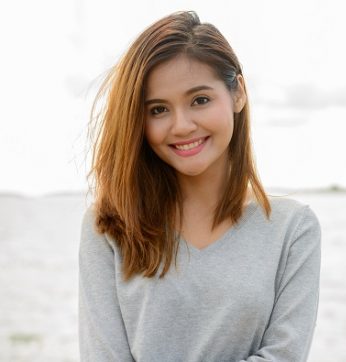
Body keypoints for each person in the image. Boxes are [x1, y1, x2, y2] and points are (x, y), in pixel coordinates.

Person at [79, 10, 322, 362]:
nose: (181, 125)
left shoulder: (293, 229)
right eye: (158, 110)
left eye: (200, 100)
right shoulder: (109, 225)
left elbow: (284, 355)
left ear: (237, 93)